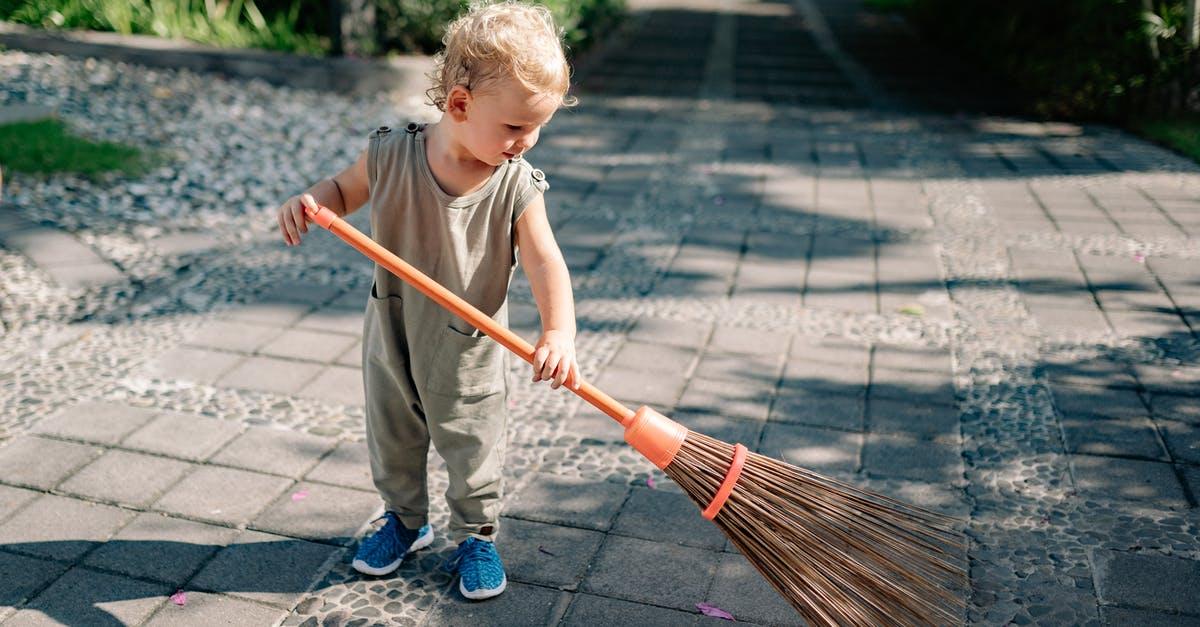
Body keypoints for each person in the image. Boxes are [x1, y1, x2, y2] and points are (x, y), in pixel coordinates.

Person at [275, 1, 580, 600]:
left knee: (471, 442)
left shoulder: (515, 184)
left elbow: (546, 261)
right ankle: (405, 520)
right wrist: (309, 202)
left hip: (468, 345)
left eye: (536, 127)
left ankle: (476, 535)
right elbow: (341, 189)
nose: (527, 141)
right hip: (392, 329)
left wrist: (559, 333)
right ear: (460, 105)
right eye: (515, 126)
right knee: (393, 433)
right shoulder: (391, 153)